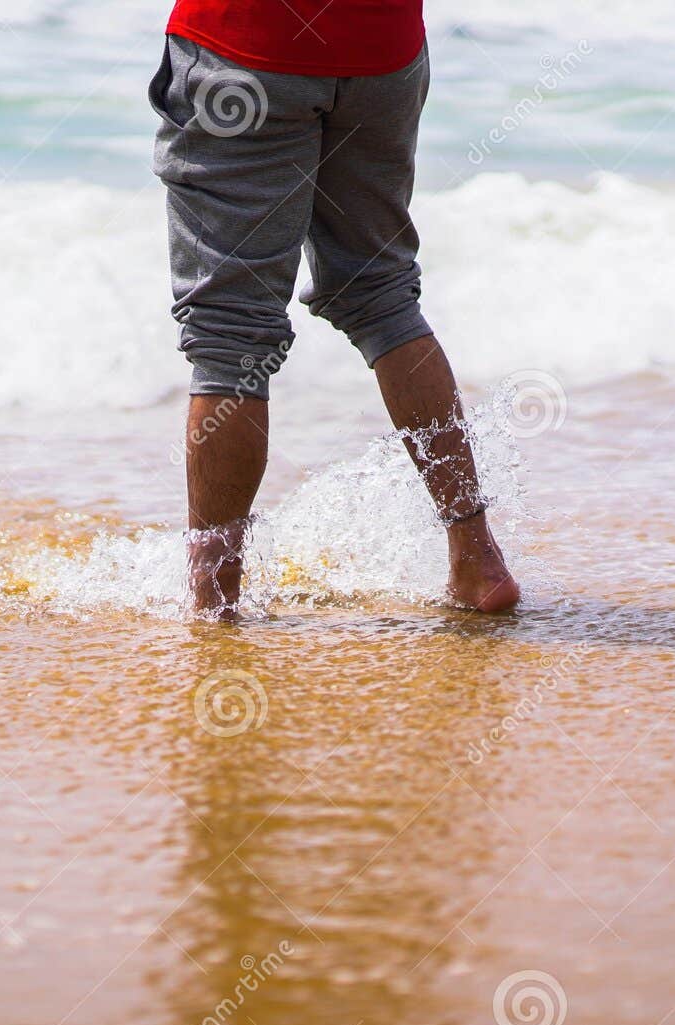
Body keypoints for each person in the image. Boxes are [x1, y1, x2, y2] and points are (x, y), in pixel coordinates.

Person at [149, 0, 520, 620]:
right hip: (382, 50)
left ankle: (214, 601)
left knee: (229, 335)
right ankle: (476, 558)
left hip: (246, 43)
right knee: (381, 295)